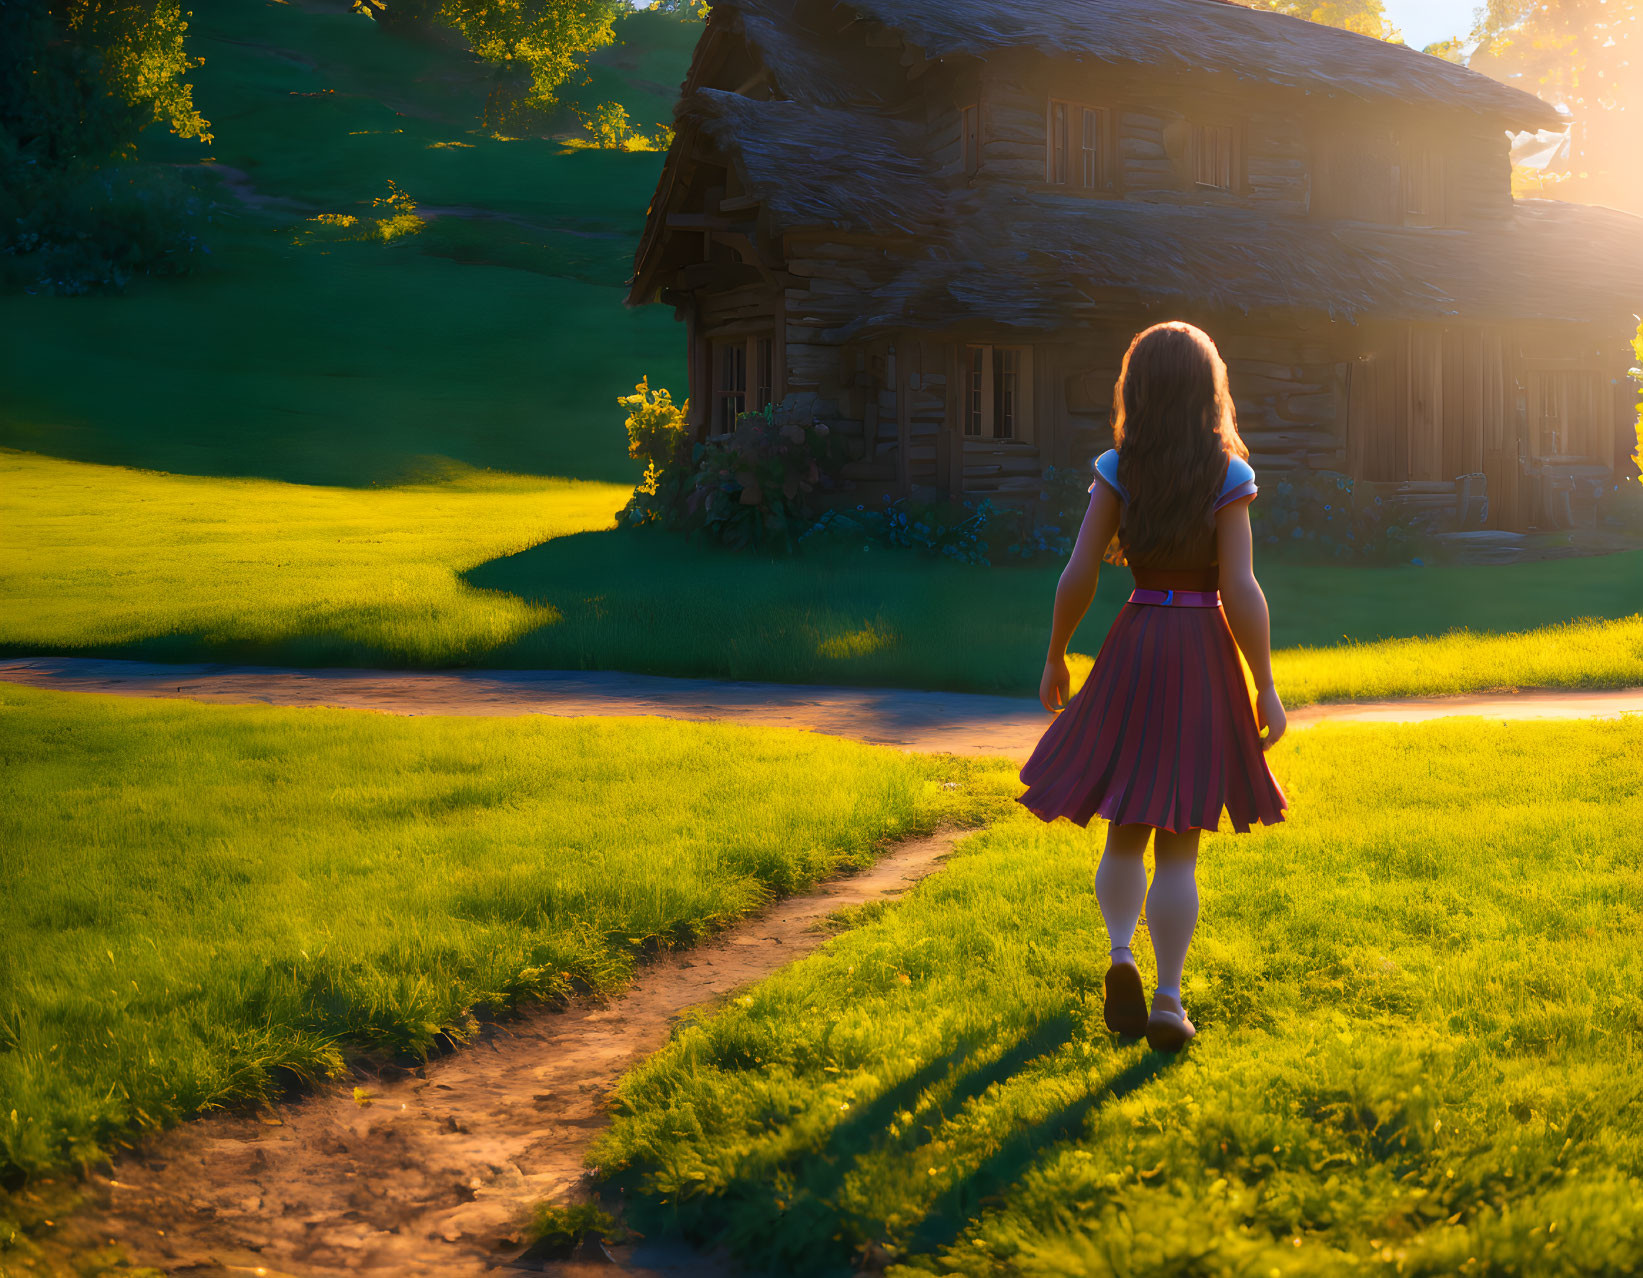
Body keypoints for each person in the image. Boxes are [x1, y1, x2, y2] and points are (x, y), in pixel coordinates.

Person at [1018, 321, 1288, 1053]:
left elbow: (1077, 573)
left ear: (1134, 391)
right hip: (1199, 650)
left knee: (1124, 824)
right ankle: (1167, 999)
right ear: (1209, 392)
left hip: (1134, 641)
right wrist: (1263, 684)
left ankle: (1119, 956)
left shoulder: (1117, 468)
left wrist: (1055, 656)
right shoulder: (1227, 476)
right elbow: (1240, 588)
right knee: (1179, 843)